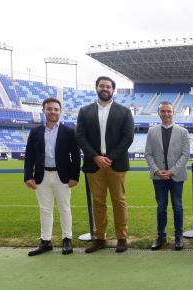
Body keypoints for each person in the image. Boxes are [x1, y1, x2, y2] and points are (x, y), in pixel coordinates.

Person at [75, 76, 134, 253]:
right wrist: (95, 157)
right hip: (94, 165)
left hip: (116, 164)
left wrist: (111, 158)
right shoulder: (85, 111)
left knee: (119, 201)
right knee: (98, 201)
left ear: (113, 90)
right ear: (96, 88)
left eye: (108, 86)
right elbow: (80, 136)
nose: (105, 89)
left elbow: (128, 137)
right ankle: (100, 238)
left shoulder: (124, 111)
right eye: (102, 86)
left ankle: (121, 238)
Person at [24, 97, 80, 256]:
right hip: (41, 176)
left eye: (56, 109)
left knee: (65, 208)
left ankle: (67, 239)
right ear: (43, 110)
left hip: (62, 176)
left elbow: (76, 156)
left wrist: (74, 176)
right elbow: (29, 156)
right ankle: (45, 241)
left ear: (60, 112)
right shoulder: (35, 131)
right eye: (49, 109)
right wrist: (28, 175)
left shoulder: (68, 131)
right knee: (45, 209)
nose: (52, 112)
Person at [145, 101, 190, 251]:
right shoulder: (152, 131)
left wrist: (172, 171)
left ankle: (179, 236)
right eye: (163, 111)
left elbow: (185, 154)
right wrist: (157, 170)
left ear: (174, 113)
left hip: (176, 176)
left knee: (178, 207)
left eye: (169, 111)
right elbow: (148, 154)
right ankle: (161, 236)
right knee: (161, 207)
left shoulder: (183, 131)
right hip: (158, 177)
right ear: (159, 113)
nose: (166, 114)